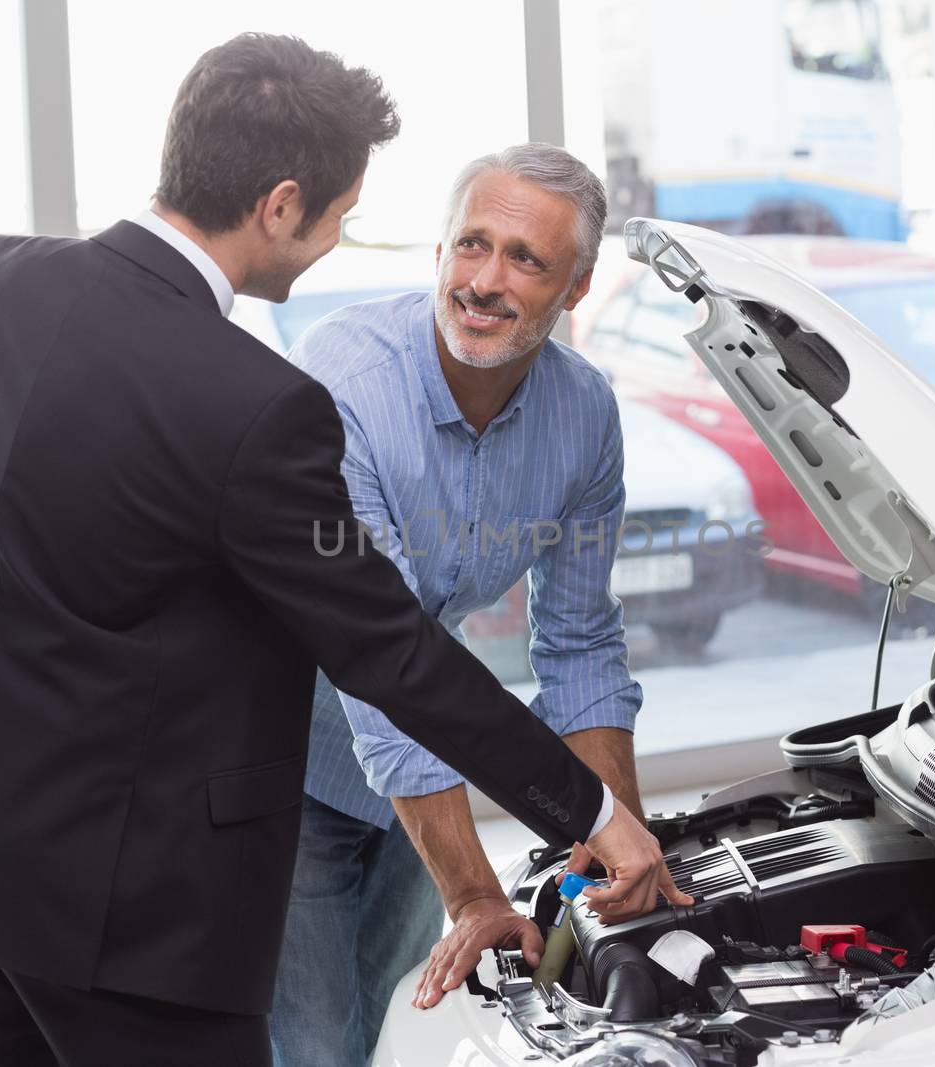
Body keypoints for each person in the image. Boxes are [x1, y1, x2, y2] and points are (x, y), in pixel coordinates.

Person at [0, 34, 673, 1067]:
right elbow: (386, 648)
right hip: (125, 921)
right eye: (341, 217)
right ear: (280, 205)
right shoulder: (259, 405)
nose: (335, 246)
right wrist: (591, 808)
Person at [270, 143, 693, 1067]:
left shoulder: (583, 415)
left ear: (577, 288)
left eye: (525, 259)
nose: (485, 281)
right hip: (278, 762)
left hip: (423, 767)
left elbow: (580, 642)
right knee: (307, 1047)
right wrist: (470, 891)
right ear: (437, 253)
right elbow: (373, 659)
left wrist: (612, 841)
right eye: (471, 245)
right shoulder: (344, 384)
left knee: (400, 1025)